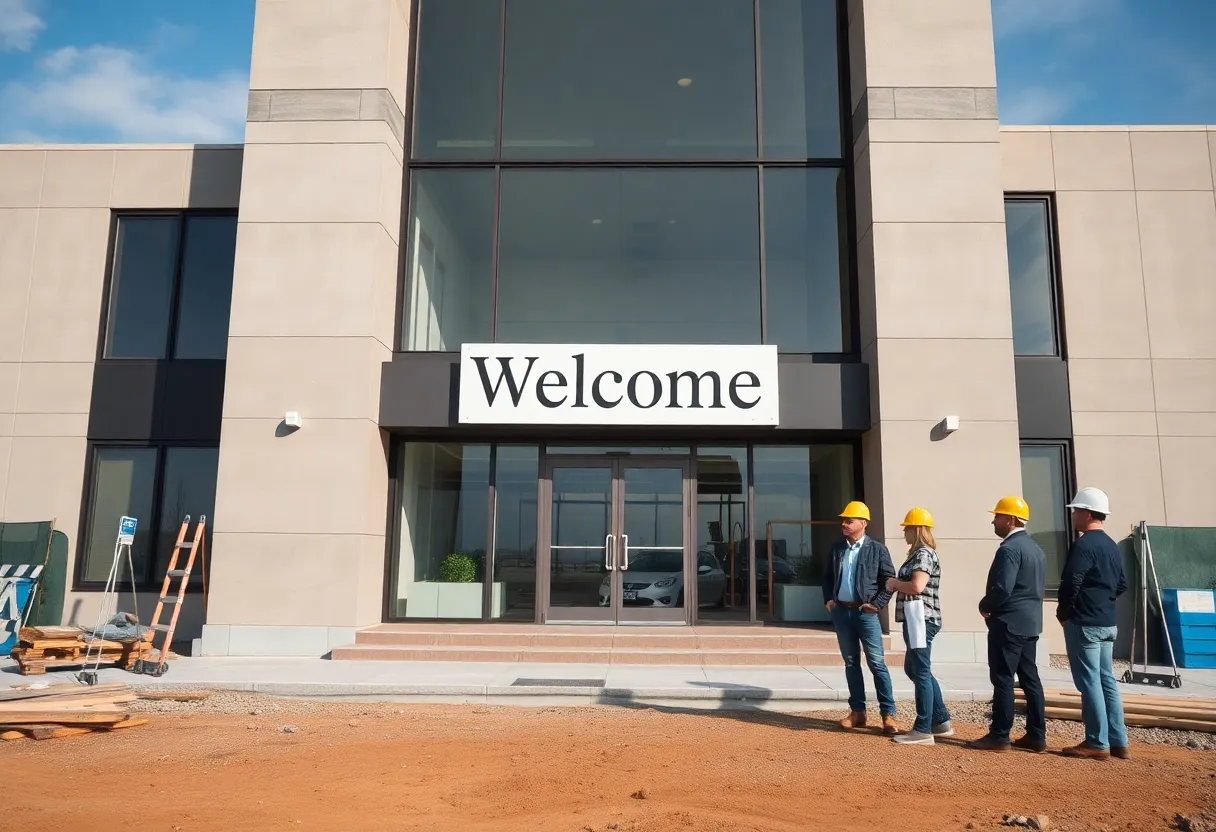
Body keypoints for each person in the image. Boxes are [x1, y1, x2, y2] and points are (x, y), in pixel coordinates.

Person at [968, 496, 1048, 753]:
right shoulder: (1036, 548)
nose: (994, 520)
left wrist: (985, 605)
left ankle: (999, 735)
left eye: (998, 516)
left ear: (1010, 519)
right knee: (1030, 679)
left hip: (1009, 623)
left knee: (1002, 678)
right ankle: (1037, 735)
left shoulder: (1009, 549)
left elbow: (1003, 587)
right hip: (1030, 623)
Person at [1057, 487, 1130, 761]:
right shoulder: (1110, 545)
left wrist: (1064, 612)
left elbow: (1071, 581)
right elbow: (1121, 583)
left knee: (1089, 682)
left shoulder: (1084, 544)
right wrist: (1103, 601)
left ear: (1087, 513)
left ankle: (1096, 742)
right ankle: (1118, 741)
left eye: (1076, 510)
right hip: (1107, 622)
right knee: (1106, 681)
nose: (1073, 515)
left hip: (1084, 623)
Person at [821, 501, 899, 735]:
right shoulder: (837, 548)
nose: (844, 524)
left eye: (849, 520)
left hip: (866, 614)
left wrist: (877, 605)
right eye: (843, 520)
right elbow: (827, 576)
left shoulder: (877, 549)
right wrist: (829, 599)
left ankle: (888, 715)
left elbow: (889, 580)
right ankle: (858, 712)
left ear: (863, 524)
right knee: (851, 663)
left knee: (877, 664)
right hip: (842, 612)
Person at [885, 507, 952, 745]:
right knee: (914, 669)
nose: (904, 533)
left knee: (920, 671)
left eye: (907, 528)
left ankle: (923, 727)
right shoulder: (920, 554)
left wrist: (893, 583)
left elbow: (916, 587)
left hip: (920, 619)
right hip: (917, 620)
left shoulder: (923, 555)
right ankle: (940, 719)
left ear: (916, 529)